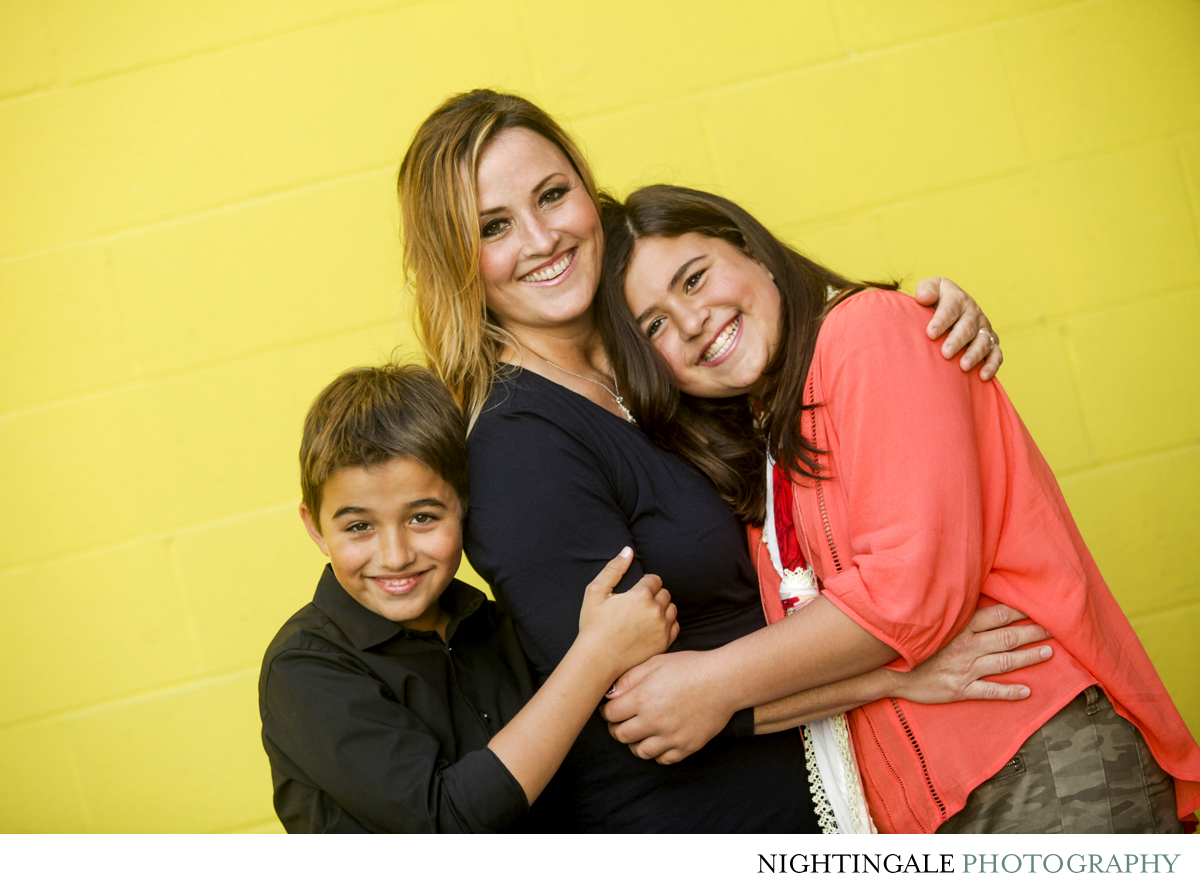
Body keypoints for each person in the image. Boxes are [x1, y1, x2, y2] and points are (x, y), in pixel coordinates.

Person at [395, 89, 1042, 833]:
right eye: (494, 226)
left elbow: (817, 389)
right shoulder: (512, 444)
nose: (542, 239)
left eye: (552, 195)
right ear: (454, 258)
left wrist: (922, 323)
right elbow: (643, 704)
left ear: (584, 184)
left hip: (839, 796)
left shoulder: (657, 348)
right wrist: (897, 674)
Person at [597, 183, 1200, 833]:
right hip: (931, 814)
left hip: (1035, 758)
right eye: (654, 325)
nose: (691, 322)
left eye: (694, 279)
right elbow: (807, 655)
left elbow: (909, 596)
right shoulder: (767, 442)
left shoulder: (867, 331)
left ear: (754, 252)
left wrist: (711, 682)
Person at [258, 363, 679, 832]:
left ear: (463, 506)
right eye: (359, 526)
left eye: (422, 518)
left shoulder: (497, 626)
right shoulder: (306, 667)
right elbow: (444, 824)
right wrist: (596, 654)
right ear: (316, 527)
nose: (395, 557)